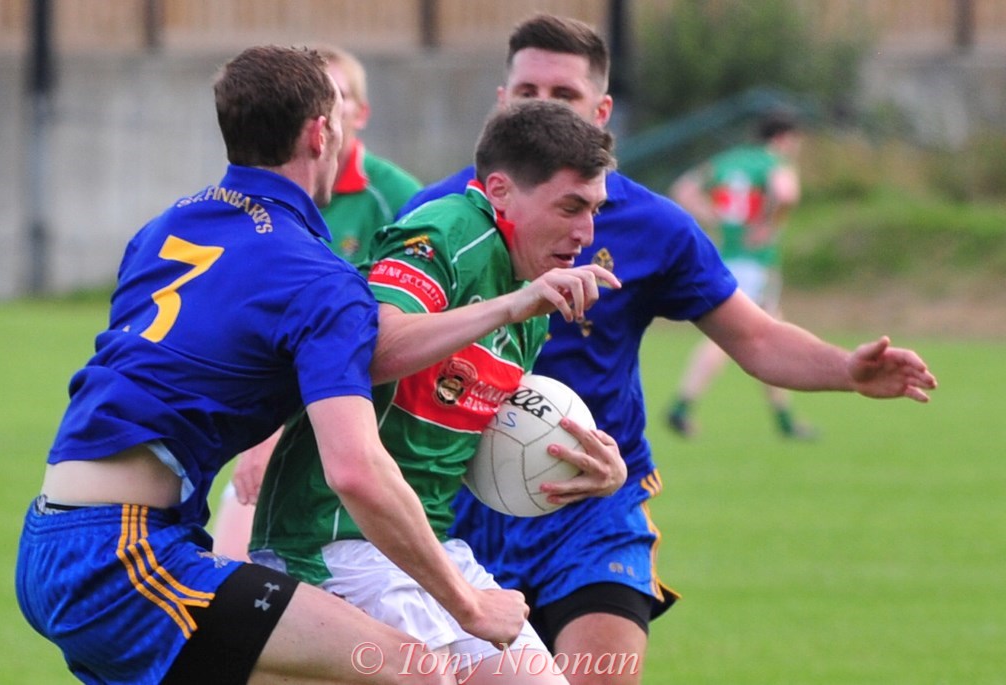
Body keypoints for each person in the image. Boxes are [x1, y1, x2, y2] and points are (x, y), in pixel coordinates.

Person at [398, 14, 937, 685]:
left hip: (593, 505)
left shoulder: (652, 225)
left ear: (601, 113)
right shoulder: (436, 218)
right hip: (455, 509)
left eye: (563, 95)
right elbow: (380, 353)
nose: (543, 106)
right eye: (528, 91)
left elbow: (755, 336)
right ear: (502, 102)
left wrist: (846, 369)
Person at [14, 45, 528, 685]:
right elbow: (357, 471)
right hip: (123, 559)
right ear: (320, 133)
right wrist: (468, 603)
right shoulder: (319, 280)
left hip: (54, 534)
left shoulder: (163, 230)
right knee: (414, 671)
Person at [249, 99, 625, 685]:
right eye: (571, 207)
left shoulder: (530, 298)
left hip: (425, 546)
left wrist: (581, 463)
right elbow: (369, 350)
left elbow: (474, 435)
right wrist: (512, 305)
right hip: (334, 539)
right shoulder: (448, 233)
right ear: (500, 191)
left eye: (596, 210)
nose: (587, 233)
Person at [211, 44, 423, 562]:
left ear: (357, 113)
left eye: (339, 96)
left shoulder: (400, 200)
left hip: (359, 427)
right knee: (231, 565)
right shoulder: (262, 201)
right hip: (277, 419)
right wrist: (261, 440)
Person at [665, 110, 816, 439]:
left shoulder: (729, 160)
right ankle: (682, 405)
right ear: (784, 138)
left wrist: (714, 218)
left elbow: (684, 188)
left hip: (727, 255)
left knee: (772, 333)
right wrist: (767, 226)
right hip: (755, 262)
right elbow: (786, 194)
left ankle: (785, 419)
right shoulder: (774, 162)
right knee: (732, 336)